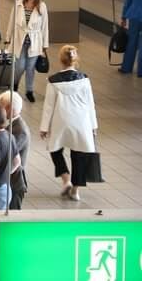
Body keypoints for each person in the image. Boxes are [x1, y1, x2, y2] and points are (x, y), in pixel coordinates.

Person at [40, 45, 99, 201]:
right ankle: (76, 190)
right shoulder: (84, 79)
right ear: (75, 60)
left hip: (61, 120)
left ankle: (66, 179)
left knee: (55, 149)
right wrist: (93, 126)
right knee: (78, 153)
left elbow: (49, 106)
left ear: (61, 60)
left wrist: (44, 127)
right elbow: (90, 104)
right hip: (81, 121)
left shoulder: (53, 81)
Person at [5, 0, 49, 102]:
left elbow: (45, 26)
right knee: (19, 66)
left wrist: (45, 45)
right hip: (20, 39)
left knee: (30, 68)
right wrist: (8, 37)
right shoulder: (18, 4)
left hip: (34, 41)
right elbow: (11, 21)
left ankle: (29, 91)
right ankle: (14, 85)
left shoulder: (42, 6)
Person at [0, 91, 30, 209]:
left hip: (14, 182)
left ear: (9, 108)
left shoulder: (20, 130)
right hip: (9, 180)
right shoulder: (12, 125)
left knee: (12, 217)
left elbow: (7, 153)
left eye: (0, 106)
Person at [120, 0, 142, 76]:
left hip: (133, 16)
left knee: (131, 42)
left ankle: (126, 67)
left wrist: (123, 17)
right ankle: (140, 71)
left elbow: (127, 2)